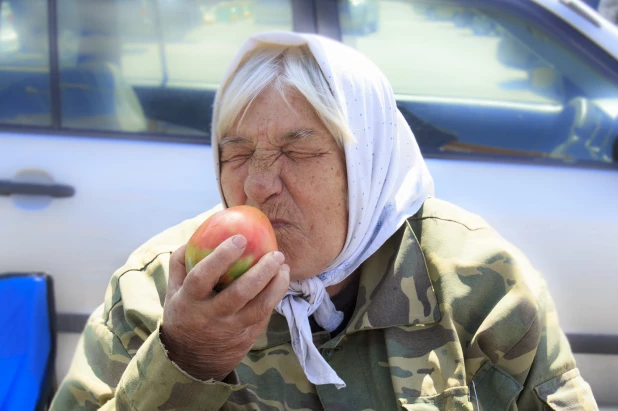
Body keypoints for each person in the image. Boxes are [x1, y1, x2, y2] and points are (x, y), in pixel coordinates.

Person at [50, 32, 598, 410]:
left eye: (300, 149)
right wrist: (187, 357)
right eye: (236, 153)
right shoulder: (155, 292)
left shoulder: (480, 285)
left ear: (370, 166)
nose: (259, 184)